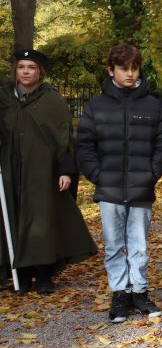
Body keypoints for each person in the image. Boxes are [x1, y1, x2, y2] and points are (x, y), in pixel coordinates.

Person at [77, 44, 162, 322]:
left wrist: (152, 174)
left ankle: (139, 291)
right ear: (111, 71)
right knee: (114, 244)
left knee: (139, 243)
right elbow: (84, 146)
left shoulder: (153, 106)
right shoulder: (96, 107)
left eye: (134, 68)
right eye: (123, 68)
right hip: (109, 188)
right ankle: (120, 293)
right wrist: (99, 176)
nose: (130, 74)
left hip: (141, 186)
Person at [0, 49, 96, 293]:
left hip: (42, 170)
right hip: (10, 170)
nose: (25, 72)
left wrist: (65, 170)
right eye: (21, 67)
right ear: (15, 70)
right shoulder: (4, 99)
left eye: (31, 67)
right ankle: (20, 275)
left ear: (39, 72)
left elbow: (64, 138)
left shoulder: (52, 101)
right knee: (13, 218)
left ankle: (43, 275)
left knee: (42, 219)